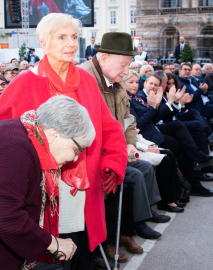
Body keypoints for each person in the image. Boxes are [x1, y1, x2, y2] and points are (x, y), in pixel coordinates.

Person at [0, 13, 128, 270]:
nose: (70, 44)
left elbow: (111, 127)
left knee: (80, 250)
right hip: (42, 190)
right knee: (50, 255)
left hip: (85, 186)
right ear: (44, 43)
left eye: (73, 37)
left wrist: (114, 160)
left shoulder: (88, 81)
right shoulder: (23, 82)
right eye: (61, 37)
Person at [80, 32, 168, 262]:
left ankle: (121, 235)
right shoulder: (85, 78)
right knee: (124, 182)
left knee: (130, 177)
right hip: (91, 156)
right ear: (104, 57)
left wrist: (129, 144)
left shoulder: (116, 81)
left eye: (130, 65)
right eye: (124, 64)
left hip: (115, 151)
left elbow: (128, 119)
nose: (127, 71)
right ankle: (103, 246)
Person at [0, 95, 97, 269]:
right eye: (77, 149)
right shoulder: (17, 147)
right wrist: (53, 243)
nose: (75, 158)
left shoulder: (24, 134)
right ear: (53, 134)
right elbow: (6, 215)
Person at [130, 73, 213, 197]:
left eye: (156, 84)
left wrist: (174, 102)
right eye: (151, 84)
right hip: (145, 136)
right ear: (144, 83)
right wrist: (160, 105)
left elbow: (155, 118)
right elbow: (143, 123)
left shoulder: (138, 98)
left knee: (182, 129)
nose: (153, 87)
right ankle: (194, 170)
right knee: (179, 137)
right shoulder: (137, 98)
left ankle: (197, 164)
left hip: (154, 130)